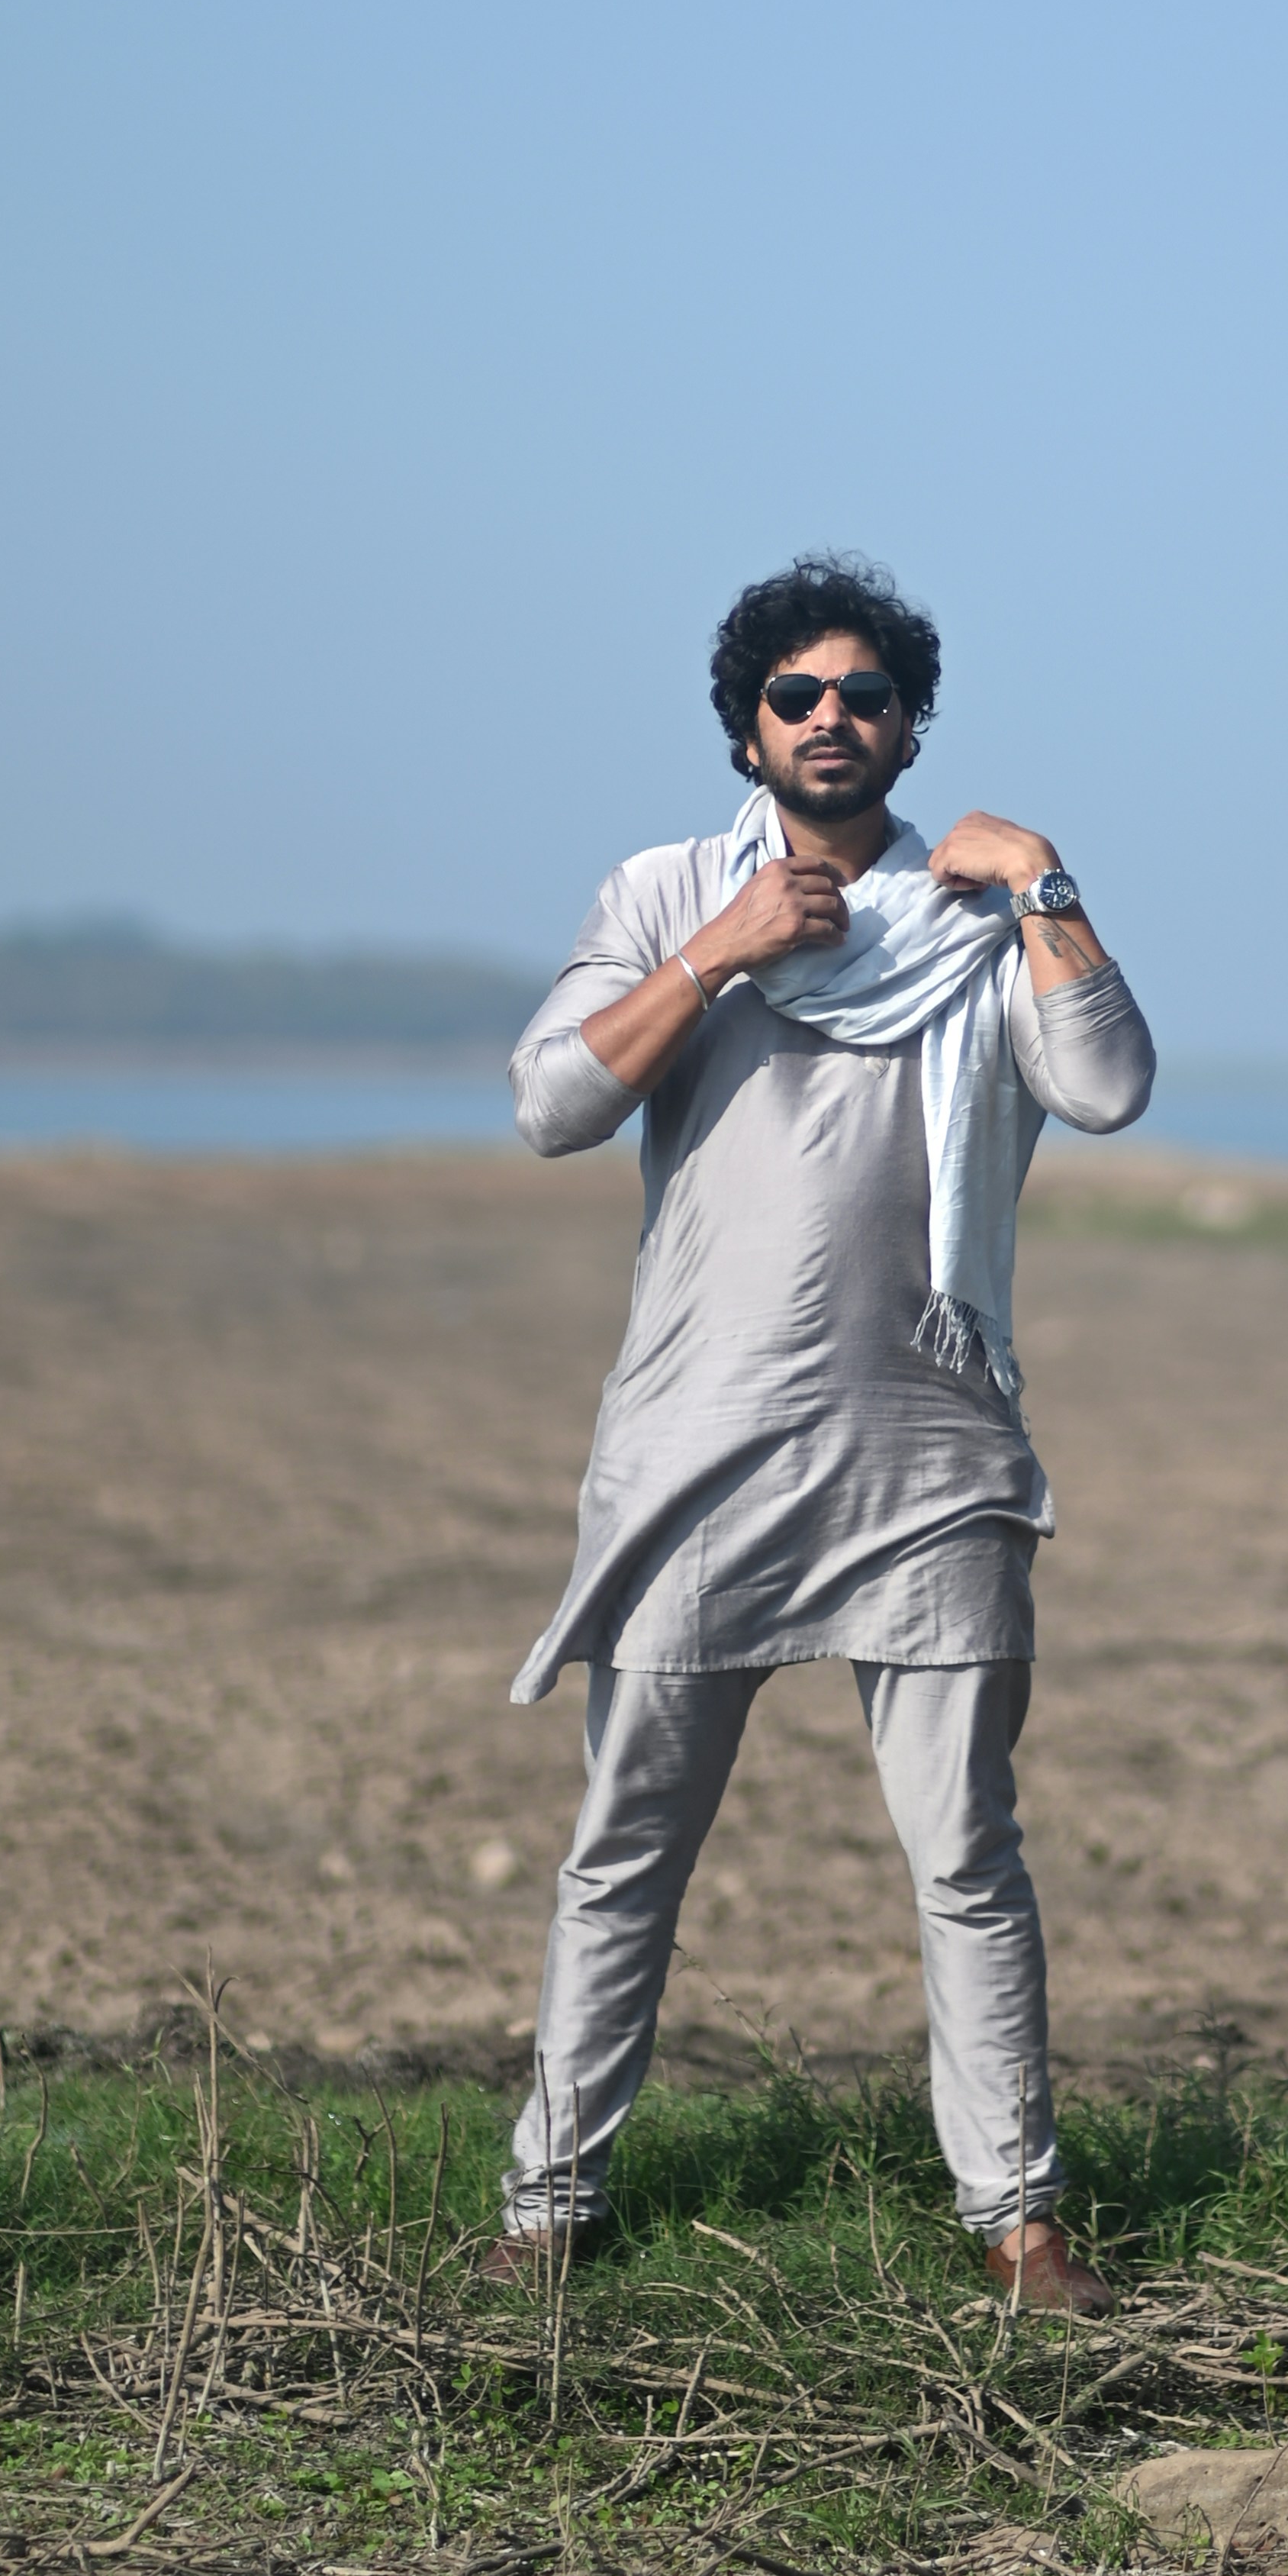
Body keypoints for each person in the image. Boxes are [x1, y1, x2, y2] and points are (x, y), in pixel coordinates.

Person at [490, 553, 1154, 2308]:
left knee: (965, 1852)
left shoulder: (971, 917)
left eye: (863, 695)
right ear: (745, 729)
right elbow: (552, 1103)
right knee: (627, 1845)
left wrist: (1045, 887)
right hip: (697, 1447)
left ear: (909, 721)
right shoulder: (658, 893)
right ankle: (547, 2219)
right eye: (797, 696)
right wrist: (720, 953)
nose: (831, 720)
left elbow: (1103, 1086)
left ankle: (1017, 2225)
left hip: (930, 1460)